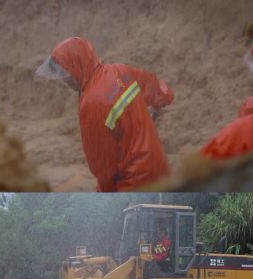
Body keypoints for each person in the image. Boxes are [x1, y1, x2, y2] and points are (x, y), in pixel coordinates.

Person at [36, 37, 173, 191]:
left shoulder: (91, 104)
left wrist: (105, 194)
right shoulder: (121, 72)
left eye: (65, 73)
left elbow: (103, 168)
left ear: (78, 65)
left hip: (134, 183)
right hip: (159, 167)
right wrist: (163, 99)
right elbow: (152, 85)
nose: (64, 80)